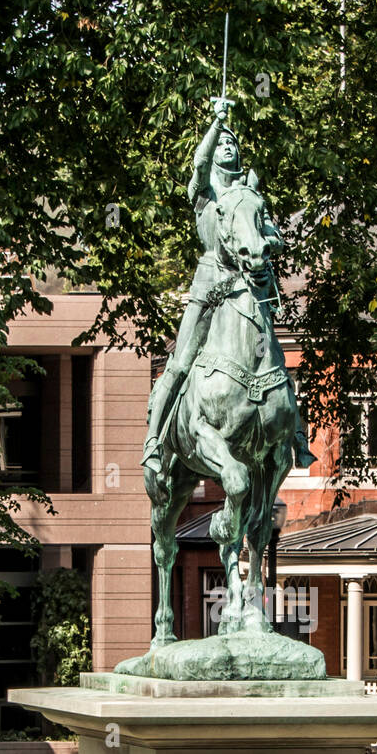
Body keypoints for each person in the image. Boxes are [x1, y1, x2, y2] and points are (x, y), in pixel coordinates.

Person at [141, 99, 315, 474]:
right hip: (209, 283)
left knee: (273, 354)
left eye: (232, 142)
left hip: (247, 284)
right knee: (181, 359)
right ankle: (154, 440)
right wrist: (216, 124)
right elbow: (200, 163)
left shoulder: (251, 195)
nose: (227, 146)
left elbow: (274, 235)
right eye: (222, 143)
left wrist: (265, 244)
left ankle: (296, 435)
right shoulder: (205, 191)